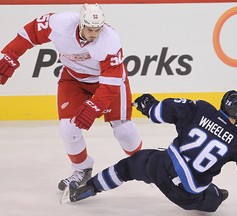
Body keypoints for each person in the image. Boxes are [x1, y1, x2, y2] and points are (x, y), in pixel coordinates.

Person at [0, 3, 142, 191]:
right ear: (80, 24)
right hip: (73, 79)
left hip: (107, 83)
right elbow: (31, 32)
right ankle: (82, 169)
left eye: (97, 29)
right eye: (90, 29)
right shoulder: (59, 23)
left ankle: (144, 164)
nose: (94, 34)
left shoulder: (111, 41)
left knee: (123, 130)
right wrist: (10, 54)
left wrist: (94, 106)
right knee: (67, 128)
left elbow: (110, 85)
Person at [61, 91, 237, 212]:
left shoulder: (201, 110)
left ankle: (90, 187)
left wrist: (148, 105)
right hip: (187, 195)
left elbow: (159, 112)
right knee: (211, 198)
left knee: (127, 167)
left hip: (161, 166)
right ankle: (214, 196)